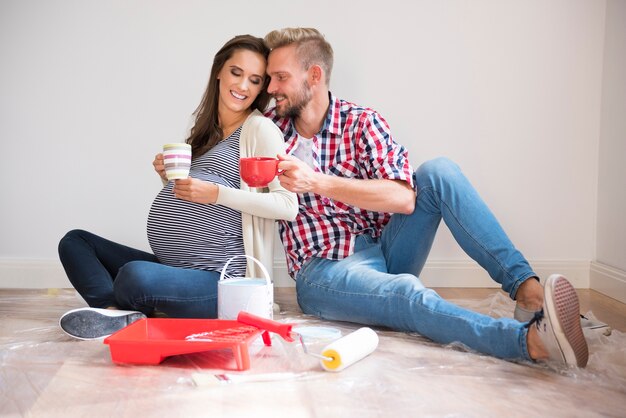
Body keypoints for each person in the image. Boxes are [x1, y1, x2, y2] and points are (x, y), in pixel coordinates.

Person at [264, 27, 589, 368]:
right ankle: (531, 342)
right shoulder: (268, 130)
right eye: (269, 78)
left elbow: (404, 199)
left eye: (280, 77)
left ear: (314, 76)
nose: (271, 89)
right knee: (405, 293)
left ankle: (529, 293)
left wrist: (315, 182)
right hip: (323, 271)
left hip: (384, 251)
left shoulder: (361, 123)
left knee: (439, 173)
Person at [57, 34, 297, 339]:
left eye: (255, 80)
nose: (243, 87)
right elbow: (188, 197)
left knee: (133, 277)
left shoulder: (260, 130)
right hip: (174, 269)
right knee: (76, 242)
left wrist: (217, 194)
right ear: (219, 71)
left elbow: (288, 206)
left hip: (220, 280)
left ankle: (123, 310)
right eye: (236, 73)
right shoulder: (202, 131)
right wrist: (166, 178)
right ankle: (115, 314)